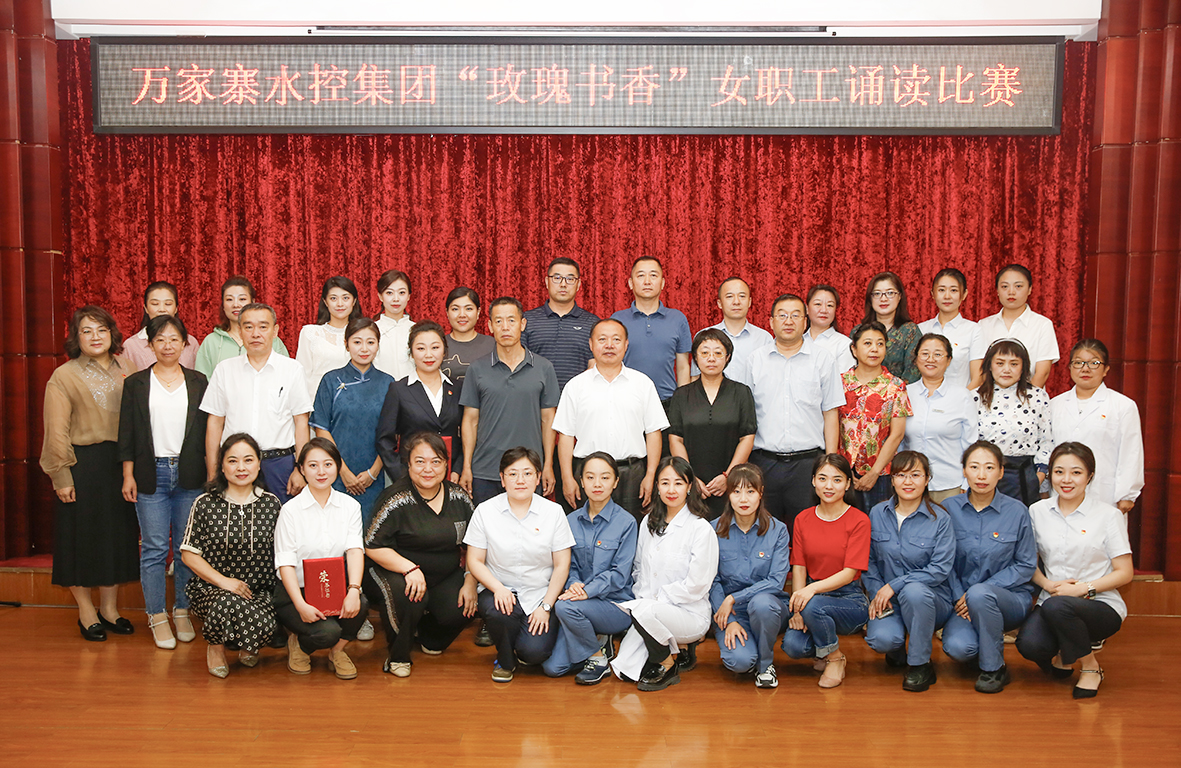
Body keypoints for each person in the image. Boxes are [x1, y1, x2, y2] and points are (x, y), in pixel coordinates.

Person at [40, 306, 140, 642]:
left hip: (121, 465)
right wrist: (61, 476)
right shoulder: (64, 376)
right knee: (80, 540)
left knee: (116, 538)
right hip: (81, 465)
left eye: (101, 329)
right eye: (87, 331)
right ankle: (86, 612)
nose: (95, 337)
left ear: (112, 333)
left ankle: (109, 610)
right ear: (76, 337)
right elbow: (56, 431)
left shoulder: (128, 368)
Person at [118, 314, 209, 650]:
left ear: (185, 344)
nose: (167, 345)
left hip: (190, 474)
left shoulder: (199, 381)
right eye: (160, 339)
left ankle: (182, 609)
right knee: (155, 548)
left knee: (186, 550)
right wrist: (128, 474)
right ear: (151, 345)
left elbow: (208, 430)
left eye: (174, 339)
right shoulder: (136, 383)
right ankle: (156, 615)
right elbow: (127, 432)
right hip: (149, 472)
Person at [1016, 442, 1134, 699]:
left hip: (1099, 603)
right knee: (1030, 645)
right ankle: (1065, 650)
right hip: (1052, 599)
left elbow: (1125, 572)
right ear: (1050, 474)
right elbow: (1028, 562)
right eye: (1059, 472)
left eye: (1076, 472)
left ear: (1089, 476)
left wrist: (1082, 589)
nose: (1066, 480)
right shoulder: (1037, 511)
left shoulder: (1108, 515)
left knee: (1058, 606)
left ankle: (1090, 667)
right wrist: (1047, 585)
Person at [363, 433, 478, 677]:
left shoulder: (459, 497)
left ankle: (426, 634)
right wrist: (409, 568)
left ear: (446, 464)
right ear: (408, 464)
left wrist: (470, 579)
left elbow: (475, 545)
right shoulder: (395, 498)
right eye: (420, 461)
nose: (428, 469)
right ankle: (398, 656)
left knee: (467, 603)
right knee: (411, 594)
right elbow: (372, 545)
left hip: (443, 574)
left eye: (436, 462)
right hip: (395, 570)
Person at [463, 447, 575, 682]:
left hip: (541, 593)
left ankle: (522, 644)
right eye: (512, 474)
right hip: (500, 590)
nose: (520, 480)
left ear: (538, 478)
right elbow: (474, 560)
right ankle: (505, 661)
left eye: (527, 473)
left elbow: (562, 565)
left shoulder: (554, 512)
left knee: (534, 653)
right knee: (498, 611)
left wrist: (546, 606)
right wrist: (498, 588)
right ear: (502, 479)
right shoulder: (485, 511)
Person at [733, 293, 843, 528]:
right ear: (771, 322)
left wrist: (829, 462)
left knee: (807, 532)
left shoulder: (823, 359)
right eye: (782, 316)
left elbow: (830, 413)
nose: (789, 321)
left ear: (805, 321)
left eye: (795, 315)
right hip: (763, 463)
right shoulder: (755, 360)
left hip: (808, 464)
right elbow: (745, 415)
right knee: (763, 530)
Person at [611, 457, 719, 692]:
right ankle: (674, 649)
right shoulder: (648, 522)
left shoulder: (700, 529)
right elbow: (638, 568)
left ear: (689, 487)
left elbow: (698, 584)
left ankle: (667, 663)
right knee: (625, 670)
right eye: (665, 483)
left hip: (688, 613)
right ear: (657, 487)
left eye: (678, 483)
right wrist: (646, 598)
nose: (671, 490)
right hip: (650, 609)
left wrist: (656, 600)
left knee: (642, 611)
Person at [180, 433, 282, 678]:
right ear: (222, 466)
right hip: (212, 589)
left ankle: (249, 642)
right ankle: (216, 649)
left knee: (269, 624)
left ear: (259, 464)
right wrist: (225, 582)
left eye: (248, 460)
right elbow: (189, 554)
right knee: (225, 602)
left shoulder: (272, 504)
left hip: (258, 591)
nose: (241, 468)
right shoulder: (205, 503)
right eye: (233, 461)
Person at [940, 440, 1037, 693]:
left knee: (981, 594)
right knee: (959, 648)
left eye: (989, 467)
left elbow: (1026, 564)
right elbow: (942, 562)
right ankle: (984, 646)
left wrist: (979, 592)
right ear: (964, 471)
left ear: (1001, 472)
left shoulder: (1017, 511)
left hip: (1010, 599)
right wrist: (960, 596)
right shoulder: (948, 509)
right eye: (974, 467)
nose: (981, 475)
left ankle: (995, 668)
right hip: (962, 601)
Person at [273, 438, 369, 679]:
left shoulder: (350, 506)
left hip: (332, 587)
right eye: (313, 465)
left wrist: (353, 589)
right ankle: (299, 645)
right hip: (297, 591)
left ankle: (337, 652)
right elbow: (285, 563)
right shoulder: (290, 511)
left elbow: (355, 550)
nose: (321, 472)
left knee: (360, 605)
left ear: (337, 466)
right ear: (302, 470)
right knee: (327, 632)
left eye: (328, 464)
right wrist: (300, 604)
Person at [553, 318, 668, 518]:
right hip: (588, 476)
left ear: (626, 344)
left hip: (632, 474)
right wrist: (567, 478)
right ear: (591, 344)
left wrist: (651, 475)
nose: (609, 345)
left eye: (616, 339)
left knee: (632, 529)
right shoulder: (575, 386)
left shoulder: (642, 383)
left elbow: (653, 432)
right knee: (588, 530)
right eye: (602, 339)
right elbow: (565, 436)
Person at [201, 303, 313, 504]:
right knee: (236, 522)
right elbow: (215, 423)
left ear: (275, 331)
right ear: (240, 330)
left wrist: (300, 469)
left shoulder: (292, 369)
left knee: (282, 522)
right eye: (248, 327)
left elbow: (301, 422)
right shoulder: (224, 370)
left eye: (263, 326)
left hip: (280, 465)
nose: (255, 334)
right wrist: (212, 472)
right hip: (235, 465)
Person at [863, 451, 956, 692]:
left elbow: (939, 569)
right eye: (901, 475)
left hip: (931, 601)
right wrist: (878, 592)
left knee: (914, 592)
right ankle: (896, 648)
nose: (908, 482)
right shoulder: (877, 513)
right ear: (892, 480)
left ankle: (920, 664)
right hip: (889, 600)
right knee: (881, 640)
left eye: (915, 475)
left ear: (927, 479)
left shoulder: (941, 519)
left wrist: (894, 585)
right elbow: (868, 561)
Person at [542, 452, 638, 684]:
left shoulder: (627, 522)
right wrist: (574, 583)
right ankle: (597, 640)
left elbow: (619, 574)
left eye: (605, 477)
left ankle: (598, 658)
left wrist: (586, 591)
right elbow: (568, 564)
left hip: (615, 605)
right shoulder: (570, 521)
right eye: (590, 477)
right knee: (553, 668)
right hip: (579, 602)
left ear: (615, 482)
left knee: (564, 607)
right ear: (581, 482)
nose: (597, 484)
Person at [781, 454, 871, 689]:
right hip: (812, 596)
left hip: (849, 598)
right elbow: (799, 565)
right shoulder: (803, 519)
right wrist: (798, 607)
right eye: (822, 478)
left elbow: (849, 573)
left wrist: (808, 594)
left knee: (813, 605)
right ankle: (829, 648)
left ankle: (834, 658)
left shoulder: (859, 520)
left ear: (848, 484)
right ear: (813, 481)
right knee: (793, 646)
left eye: (837, 480)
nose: (829, 486)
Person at [459, 297, 560, 505]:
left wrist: (548, 464)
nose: (505, 327)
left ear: (522, 324)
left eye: (511, 320)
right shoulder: (477, 368)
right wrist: (467, 466)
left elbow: (548, 420)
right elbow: (470, 420)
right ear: (490, 326)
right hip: (485, 470)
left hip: (529, 471)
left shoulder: (544, 368)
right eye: (498, 321)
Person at [708, 464, 791, 688]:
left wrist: (734, 598)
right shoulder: (712, 530)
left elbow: (776, 581)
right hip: (731, 613)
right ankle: (753, 647)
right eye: (736, 491)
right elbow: (712, 581)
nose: (743, 499)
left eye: (750, 491)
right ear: (728, 495)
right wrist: (730, 621)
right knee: (740, 662)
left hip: (769, 608)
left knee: (762, 603)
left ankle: (765, 665)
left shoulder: (778, 530)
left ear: (761, 493)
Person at [311, 317, 395, 523]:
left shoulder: (388, 383)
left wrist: (373, 472)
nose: (364, 348)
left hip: (376, 475)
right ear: (346, 344)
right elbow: (321, 429)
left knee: (371, 531)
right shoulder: (331, 380)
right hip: (335, 473)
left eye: (370, 342)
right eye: (357, 342)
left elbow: (392, 433)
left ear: (378, 345)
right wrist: (343, 471)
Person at [668, 328, 757, 519]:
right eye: (705, 353)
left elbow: (747, 437)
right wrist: (690, 478)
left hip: (732, 483)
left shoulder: (741, 392)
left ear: (727, 357)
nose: (711, 358)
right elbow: (675, 439)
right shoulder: (682, 395)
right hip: (692, 483)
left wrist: (728, 476)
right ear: (695, 357)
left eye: (718, 353)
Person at [1050, 339, 1144, 512]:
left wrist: (1127, 495)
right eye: (1078, 363)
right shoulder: (1054, 405)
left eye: (1094, 363)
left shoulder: (1122, 405)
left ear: (1106, 369)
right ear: (1070, 367)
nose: (1085, 369)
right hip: (1061, 492)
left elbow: (1131, 452)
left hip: (1104, 494)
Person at [377, 320, 464, 483]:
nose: (428, 355)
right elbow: (385, 440)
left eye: (435, 347)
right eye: (421, 348)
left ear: (444, 351)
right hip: (412, 479)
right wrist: (403, 477)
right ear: (411, 352)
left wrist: (457, 470)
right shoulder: (399, 390)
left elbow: (466, 434)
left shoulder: (458, 387)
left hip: (451, 477)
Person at [838, 321, 912, 512]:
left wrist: (874, 473)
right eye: (867, 343)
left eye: (880, 344)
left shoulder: (896, 386)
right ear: (854, 349)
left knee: (878, 524)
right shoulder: (840, 383)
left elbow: (897, 434)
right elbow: (831, 426)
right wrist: (841, 470)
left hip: (880, 473)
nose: (874, 349)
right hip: (842, 472)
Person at [974, 338, 1053, 506]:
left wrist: (1039, 476)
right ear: (989, 365)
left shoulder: (1037, 396)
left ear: (1023, 367)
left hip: (1024, 477)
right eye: (1000, 363)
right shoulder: (975, 397)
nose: (1006, 370)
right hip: (984, 476)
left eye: (1014, 364)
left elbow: (1046, 440)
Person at [902, 333, 978, 502]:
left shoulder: (962, 396)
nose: (931, 359)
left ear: (948, 360)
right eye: (925, 353)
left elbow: (971, 443)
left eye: (938, 354)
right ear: (916, 358)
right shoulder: (904, 393)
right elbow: (898, 441)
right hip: (909, 484)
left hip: (950, 485)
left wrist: (967, 482)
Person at [611, 256, 692, 403]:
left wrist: (683, 403)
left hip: (667, 401)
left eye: (653, 275)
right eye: (641, 275)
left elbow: (683, 367)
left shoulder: (678, 319)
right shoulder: (617, 320)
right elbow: (610, 362)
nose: (647, 281)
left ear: (662, 283)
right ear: (631, 283)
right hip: (625, 400)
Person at [523, 257, 600, 391]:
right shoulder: (527, 320)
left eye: (570, 279)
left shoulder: (592, 323)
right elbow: (518, 362)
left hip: (578, 398)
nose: (563, 284)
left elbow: (595, 365)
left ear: (578, 284)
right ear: (547, 282)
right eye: (557, 278)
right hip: (536, 398)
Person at [977, 264, 1060, 388]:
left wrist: (1025, 398)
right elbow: (980, 370)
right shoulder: (984, 325)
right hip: (990, 396)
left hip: (1028, 396)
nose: (1011, 292)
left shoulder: (1042, 324)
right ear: (997, 291)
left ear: (1030, 289)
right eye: (1005, 286)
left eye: (1018, 286)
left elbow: (1042, 373)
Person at [194, 276, 289, 378]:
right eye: (229, 299)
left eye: (242, 299)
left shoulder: (271, 339)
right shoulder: (211, 341)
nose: (236, 304)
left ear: (252, 302)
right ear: (223, 305)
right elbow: (201, 381)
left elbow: (286, 374)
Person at [296, 276, 363, 402]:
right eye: (333, 298)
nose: (340, 304)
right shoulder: (310, 333)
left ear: (354, 301)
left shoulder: (363, 334)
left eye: (345, 298)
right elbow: (301, 376)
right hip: (317, 404)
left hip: (354, 403)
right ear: (325, 302)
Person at [690, 277, 773, 377]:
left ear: (749, 302)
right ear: (719, 303)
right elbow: (696, 377)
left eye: (742, 296)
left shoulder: (764, 338)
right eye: (729, 296)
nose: (736, 302)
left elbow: (769, 377)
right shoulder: (704, 337)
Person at [918, 269, 985, 389]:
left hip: (962, 398)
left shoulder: (974, 330)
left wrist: (960, 398)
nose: (947, 296)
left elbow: (978, 378)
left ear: (964, 294)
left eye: (953, 290)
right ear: (933, 294)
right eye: (941, 290)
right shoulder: (921, 329)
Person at [121, 281, 200, 370]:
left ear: (176, 308)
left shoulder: (191, 342)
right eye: (155, 304)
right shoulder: (131, 346)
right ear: (146, 308)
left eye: (168, 304)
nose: (162, 309)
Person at [862, 271, 922, 384]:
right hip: (862, 393)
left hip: (900, 393)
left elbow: (912, 374)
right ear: (870, 298)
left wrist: (891, 392)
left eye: (890, 293)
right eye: (877, 293)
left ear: (899, 296)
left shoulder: (910, 331)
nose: (883, 299)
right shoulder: (859, 331)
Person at [439, 287, 496, 388]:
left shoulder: (492, 344)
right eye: (455, 309)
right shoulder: (438, 344)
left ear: (478, 312)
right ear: (447, 312)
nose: (462, 315)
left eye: (468, 309)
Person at [374, 269, 416, 382]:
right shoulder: (372, 330)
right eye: (389, 293)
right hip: (380, 389)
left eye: (401, 293)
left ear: (409, 296)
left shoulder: (417, 330)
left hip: (412, 390)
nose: (396, 299)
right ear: (380, 296)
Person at [806, 284, 855, 374]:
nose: (824, 310)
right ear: (807, 309)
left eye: (830, 305)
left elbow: (844, 380)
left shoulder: (844, 345)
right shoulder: (797, 341)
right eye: (818, 304)